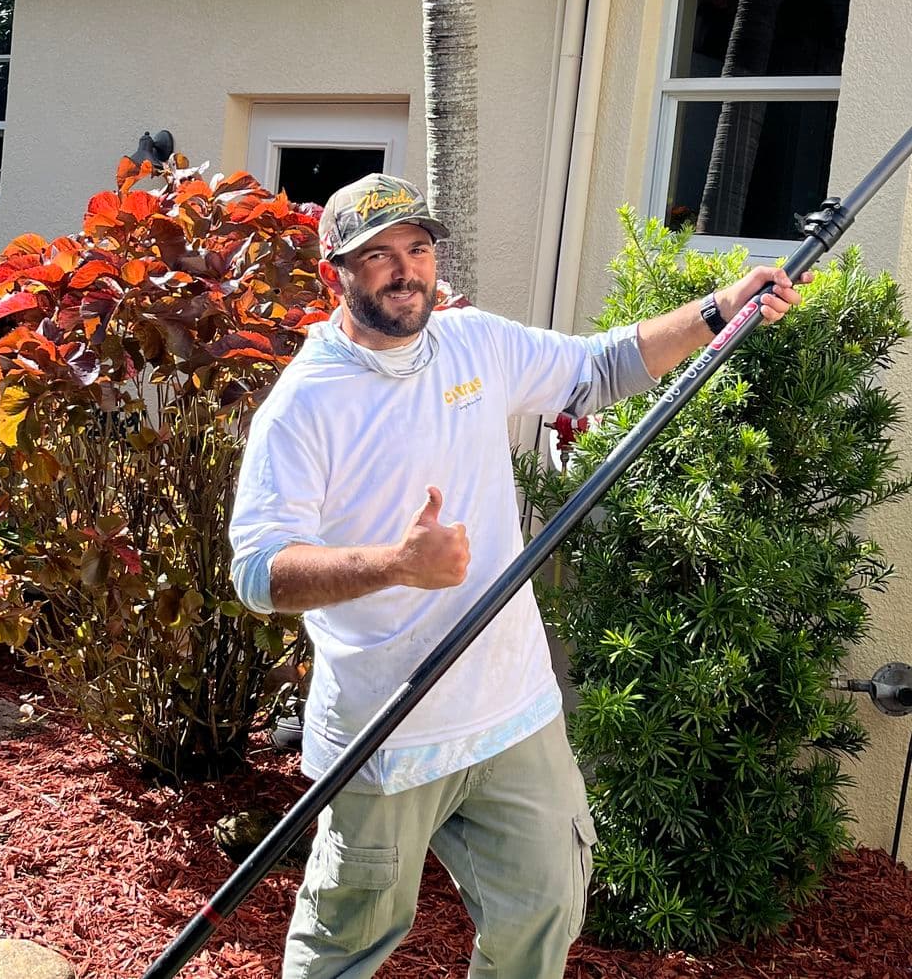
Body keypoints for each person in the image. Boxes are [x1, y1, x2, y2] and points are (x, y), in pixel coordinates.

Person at [228, 173, 806, 979]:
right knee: (347, 945)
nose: (406, 269)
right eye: (379, 256)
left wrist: (720, 306)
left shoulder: (474, 344)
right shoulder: (305, 404)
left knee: (544, 913)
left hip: (513, 711)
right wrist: (397, 564)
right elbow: (259, 571)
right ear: (337, 275)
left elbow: (601, 367)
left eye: (419, 248)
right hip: (386, 732)